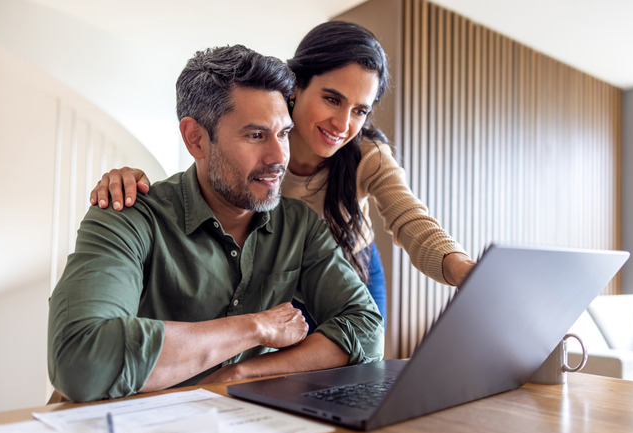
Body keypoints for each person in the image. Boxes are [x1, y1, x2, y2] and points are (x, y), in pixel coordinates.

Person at [48, 44, 383, 403]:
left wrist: (241, 373)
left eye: (283, 133)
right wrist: (255, 328)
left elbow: (366, 331)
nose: (278, 157)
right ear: (196, 138)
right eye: (255, 135)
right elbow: (81, 360)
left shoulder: (300, 226)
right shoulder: (126, 214)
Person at [90, 21, 476, 329]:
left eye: (360, 110)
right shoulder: (258, 148)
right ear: (295, 88)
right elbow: (210, 174)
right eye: (332, 99)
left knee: (358, 367)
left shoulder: (366, 155)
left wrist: (466, 272)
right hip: (279, 273)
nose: (343, 124)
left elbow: (411, 219)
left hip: (351, 264)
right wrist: (129, 179)